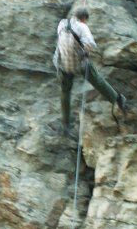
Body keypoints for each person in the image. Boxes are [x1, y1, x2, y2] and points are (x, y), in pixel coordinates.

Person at [53, 7, 127, 135]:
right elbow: (90, 44)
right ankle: (117, 99)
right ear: (83, 19)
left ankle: (66, 126)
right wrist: (84, 51)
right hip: (79, 63)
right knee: (97, 80)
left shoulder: (62, 23)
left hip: (62, 63)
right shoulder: (82, 27)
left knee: (65, 92)